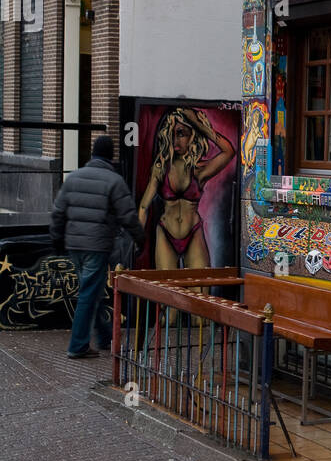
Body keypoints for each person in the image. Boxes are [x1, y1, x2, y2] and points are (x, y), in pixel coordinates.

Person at [50, 134, 146, 359]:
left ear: (92, 153)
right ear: (110, 155)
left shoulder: (73, 178)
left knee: (92, 291)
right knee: (88, 293)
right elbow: (129, 216)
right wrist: (140, 240)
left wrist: (56, 239)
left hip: (74, 245)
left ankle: (104, 337)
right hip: (97, 245)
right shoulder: (114, 181)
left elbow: (58, 212)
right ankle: (77, 345)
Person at [137, 106, 235, 269]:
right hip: (166, 233)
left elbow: (229, 151)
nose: (176, 140)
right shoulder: (161, 168)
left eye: (181, 133)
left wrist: (200, 125)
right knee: (167, 291)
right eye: (172, 134)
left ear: (192, 136)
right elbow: (143, 206)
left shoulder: (199, 170)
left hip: (193, 232)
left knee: (200, 290)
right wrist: (138, 239)